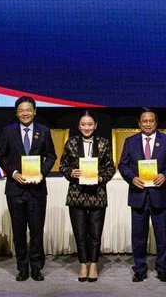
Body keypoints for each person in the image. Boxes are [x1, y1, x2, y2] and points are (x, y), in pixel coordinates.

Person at [0, 95, 57, 281]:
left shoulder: (44, 131)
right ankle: (22, 267)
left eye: (28, 110)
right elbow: (2, 157)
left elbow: (51, 156)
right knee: (19, 231)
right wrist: (14, 173)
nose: (25, 113)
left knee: (37, 231)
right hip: (15, 188)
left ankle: (37, 267)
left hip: (37, 189)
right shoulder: (8, 132)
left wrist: (42, 173)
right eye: (21, 110)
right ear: (16, 112)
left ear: (35, 111)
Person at [117, 108, 166, 283]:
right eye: (144, 121)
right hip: (138, 195)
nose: (147, 124)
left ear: (156, 122)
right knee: (138, 236)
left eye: (151, 121)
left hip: (161, 195)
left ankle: (163, 268)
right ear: (139, 123)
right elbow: (123, 165)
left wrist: (165, 176)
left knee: (163, 235)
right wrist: (132, 178)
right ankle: (139, 269)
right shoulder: (130, 142)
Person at [58, 110, 116, 283]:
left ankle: (94, 265)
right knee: (80, 233)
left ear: (96, 125)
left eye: (90, 124)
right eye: (83, 124)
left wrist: (101, 177)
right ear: (78, 126)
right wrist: (71, 172)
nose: (86, 127)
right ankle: (83, 264)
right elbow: (63, 165)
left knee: (95, 234)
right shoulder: (71, 143)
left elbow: (110, 168)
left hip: (97, 194)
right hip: (77, 194)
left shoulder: (104, 144)